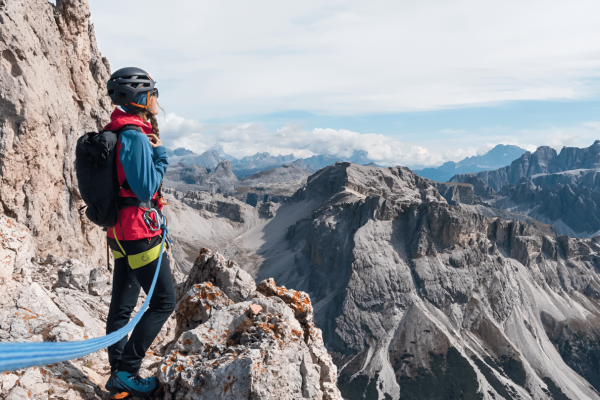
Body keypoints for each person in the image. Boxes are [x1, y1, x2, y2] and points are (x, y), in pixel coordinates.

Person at [103, 67, 176, 398]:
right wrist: (160, 156)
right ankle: (128, 371)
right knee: (163, 301)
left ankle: (118, 374)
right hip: (138, 232)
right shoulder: (133, 134)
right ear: (142, 97)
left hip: (120, 230)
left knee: (122, 305)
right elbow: (146, 189)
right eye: (154, 93)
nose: (156, 99)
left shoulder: (120, 130)